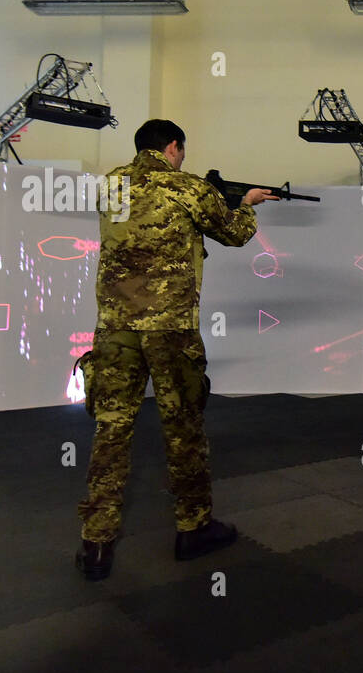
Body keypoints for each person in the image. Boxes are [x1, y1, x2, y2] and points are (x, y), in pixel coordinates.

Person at [74, 119, 278, 580]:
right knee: (183, 428)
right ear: (172, 147)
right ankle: (192, 529)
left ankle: (97, 546)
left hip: (115, 327)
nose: (182, 158)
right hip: (170, 329)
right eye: (181, 151)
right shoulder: (187, 187)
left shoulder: (110, 185)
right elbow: (234, 234)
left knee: (111, 430)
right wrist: (246, 204)